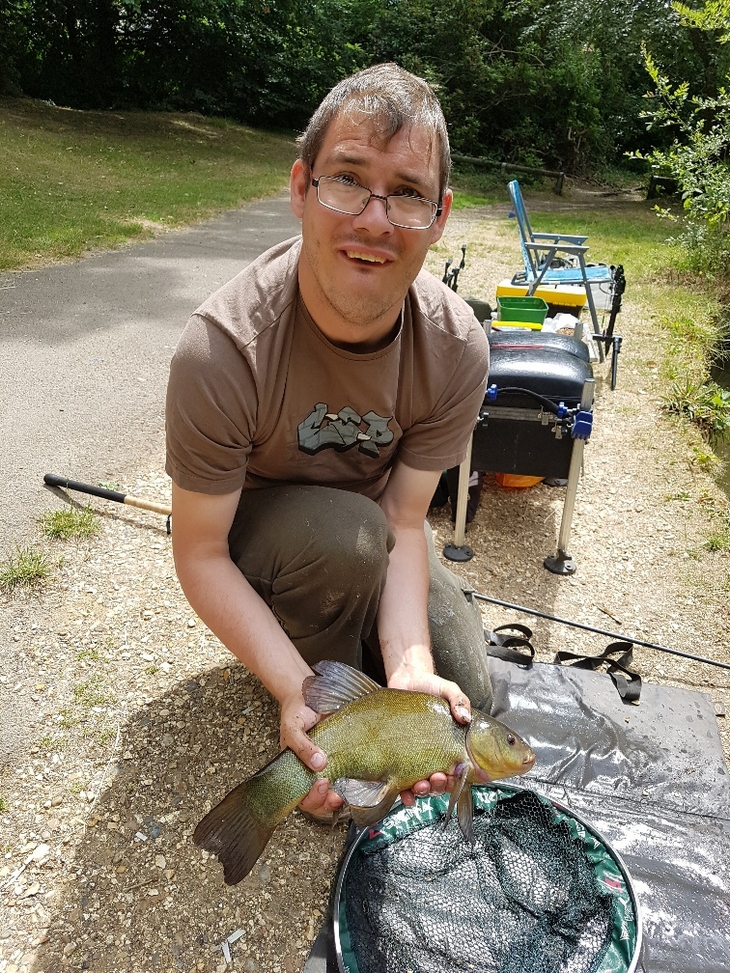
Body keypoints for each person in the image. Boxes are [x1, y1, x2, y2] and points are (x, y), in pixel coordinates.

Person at [165, 62, 492, 822]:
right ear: (301, 188)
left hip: (375, 534)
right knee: (346, 535)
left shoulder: (457, 348)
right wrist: (296, 691)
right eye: (347, 179)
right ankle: (318, 710)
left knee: (463, 701)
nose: (375, 220)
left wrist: (409, 669)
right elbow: (198, 550)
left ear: (439, 216)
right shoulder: (221, 348)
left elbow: (407, 521)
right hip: (263, 541)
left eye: (407, 192)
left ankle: (373, 675)